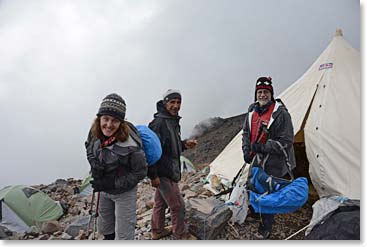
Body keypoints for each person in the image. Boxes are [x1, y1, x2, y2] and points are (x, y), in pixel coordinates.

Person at [85, 93, 148, 240]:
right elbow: (88, 147)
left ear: (121, 123)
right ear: (99, 118)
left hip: (124, 193)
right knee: (106, 230)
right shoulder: (94, 133)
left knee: (124, 236)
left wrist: (112, 183)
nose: (108, 124)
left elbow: (141, 172)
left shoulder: (131, 146)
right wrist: (94, 164)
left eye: (114, 120)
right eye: (105, 119)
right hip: (104, 190)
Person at [242, 77, 296, 239]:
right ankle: (256, 211)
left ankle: (266, 225)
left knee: (268, 191)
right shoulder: (252, 111)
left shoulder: (280, 113)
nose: (263, 95)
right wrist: (246, 150)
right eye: (260, 92)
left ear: (271, 94)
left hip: (274, 161)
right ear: (256, 94)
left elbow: (287, 141)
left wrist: (263, 147)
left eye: (266, 92)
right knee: (253, 184)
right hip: (256, 157)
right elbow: (246, 132)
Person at [147, 89, 197, 240]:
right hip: (163, 172)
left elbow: (169, 146)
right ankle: (180, 235)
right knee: (178, 206)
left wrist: (183, 144)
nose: (176, 106)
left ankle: (158, 230)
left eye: (178, 102)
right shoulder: (159, 123)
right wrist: (153, 175)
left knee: (160, 203)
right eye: (172, 102)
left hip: (168, 169)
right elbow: (151, 151)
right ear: (165, 103)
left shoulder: (172, 121)